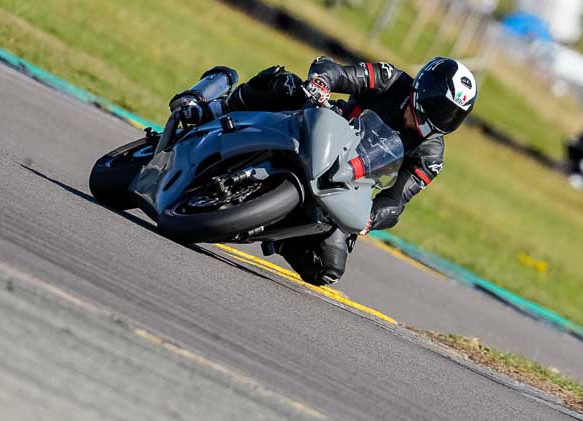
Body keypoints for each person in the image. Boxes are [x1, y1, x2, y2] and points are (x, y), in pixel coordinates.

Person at [175, 56, 478, 285]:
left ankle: (276, 231)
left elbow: (398, 199)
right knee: (285, 84)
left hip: (344, 183)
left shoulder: (431, 154)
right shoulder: (392, 81)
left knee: (326, 269)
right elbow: (338, 72)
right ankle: (213, 108)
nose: (442, 116)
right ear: (424, 87)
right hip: (324, 131)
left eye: (453, 114)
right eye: (440, 105)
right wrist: (322, 82)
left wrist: (371, 219)